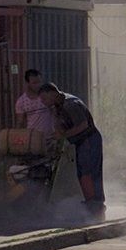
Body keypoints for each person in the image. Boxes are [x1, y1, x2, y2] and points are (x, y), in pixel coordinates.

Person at [38, 83, 105, 219]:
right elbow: (60, 127)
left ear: (52, 93)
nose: (43, 102)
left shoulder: (70, 104)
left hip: (89, 140)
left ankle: (97, 206)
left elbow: (83, 125)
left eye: (44, 99)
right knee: (82, 173)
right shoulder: (58, 106)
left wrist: (63, 135)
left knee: (89, 173)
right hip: (80, 142)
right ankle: (91, 203)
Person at [14, 69, 54, 138]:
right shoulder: (21, 101)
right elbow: (20, 122)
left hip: (50, 138)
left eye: (39, 82)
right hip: (33, 139)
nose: (38, 85)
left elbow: (57, 115)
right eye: (34, 83)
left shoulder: (48, 96)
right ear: (27, 83)